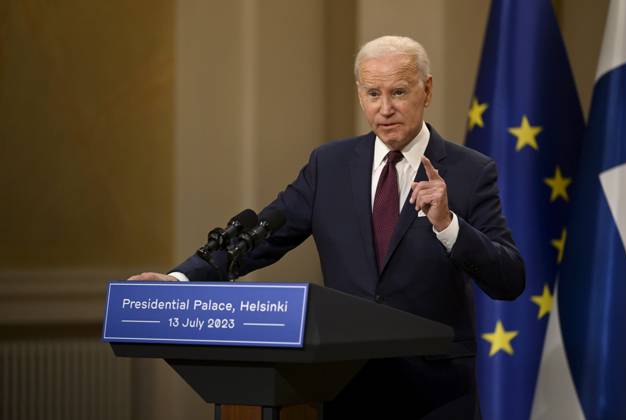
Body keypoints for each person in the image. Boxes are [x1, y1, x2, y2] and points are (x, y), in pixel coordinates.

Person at [130, 35, 525, 419]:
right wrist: (181, 281)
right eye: (373, 94)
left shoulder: (471, 172)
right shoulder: (329, 166)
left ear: (427, 90)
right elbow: (260, 239)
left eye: (399, 92)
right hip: (345, 384)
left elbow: (509, 278)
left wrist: (449, 225)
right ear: (360, 95)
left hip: (436, 391)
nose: (384, 108)